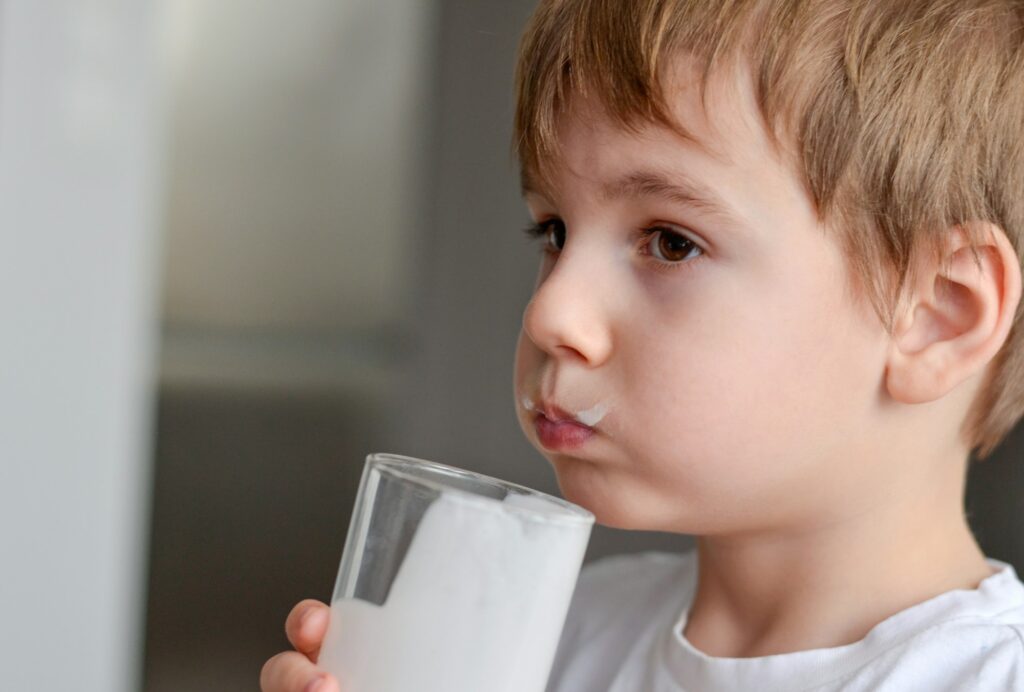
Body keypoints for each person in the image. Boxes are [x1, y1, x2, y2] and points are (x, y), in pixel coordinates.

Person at [260, 1, 1024, 690]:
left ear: (937, 314)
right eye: (554, 232)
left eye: (670, 242)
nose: (549, 313)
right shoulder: (551, 640)